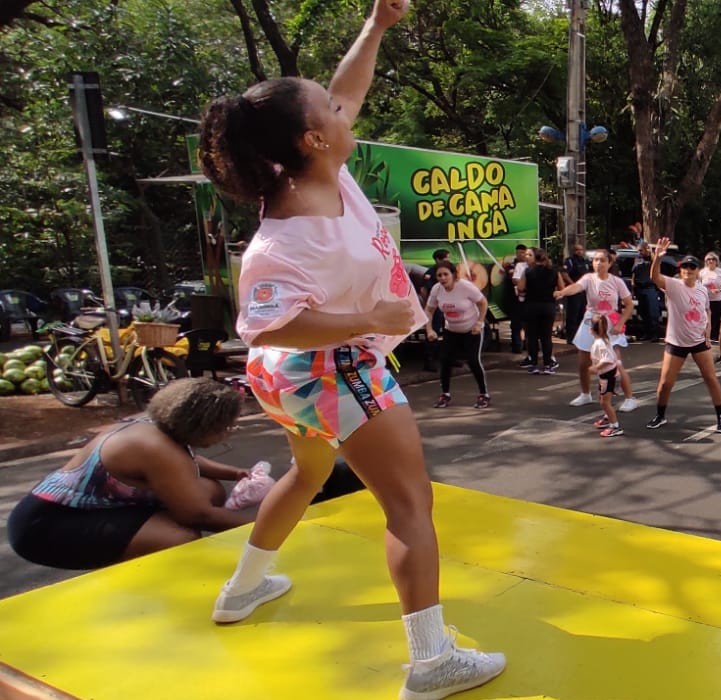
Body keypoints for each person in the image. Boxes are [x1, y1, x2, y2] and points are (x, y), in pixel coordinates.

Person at [196, 1, 507, 696]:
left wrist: (376, 26)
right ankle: (431, 663)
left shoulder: (320, 173)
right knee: (409, 505)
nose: (345, 113)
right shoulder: (287, 238)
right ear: (311, 138)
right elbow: (268, 325)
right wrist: (370, 314)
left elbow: (346, 88)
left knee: (306, 475)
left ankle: (243, 589)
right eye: (329, 113)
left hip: (294, 381)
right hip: (330, 370)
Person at [8, 379, 255, 569]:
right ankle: (143, 585)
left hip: (92, 508)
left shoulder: (158, 427)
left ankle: (137, 546)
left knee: (209, 488)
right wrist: (274, 526)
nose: (227, 434)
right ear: (203, 425)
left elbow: (188, 461)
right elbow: (199, 515)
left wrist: (234, 473)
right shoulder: (156, 449)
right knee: (179, 538)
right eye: (225, 428)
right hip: (47, 526)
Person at [645, 238, 721, 433]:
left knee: (710, 378)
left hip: (699, 342)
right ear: (680, 270)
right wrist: (657, 258)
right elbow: (655, 277)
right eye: (685, 267)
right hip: (676, 343)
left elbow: (706, 311)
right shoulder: (673, 285)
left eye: (692, 267)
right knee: (666, 383)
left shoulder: (702, 289)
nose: (688, 270)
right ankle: (660, 415)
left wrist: (707, 332)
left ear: (697, 271)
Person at [554, 248, 639, 411]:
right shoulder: (588, 278)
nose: (598, 263)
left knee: (616, 363)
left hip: (610, 322)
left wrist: (620, 323)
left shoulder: (617, 282)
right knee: (583, 362)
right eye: (596, 260)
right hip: (591, 320)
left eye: (602, 260)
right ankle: (585, 394)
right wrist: (562, 292)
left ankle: (630, 398)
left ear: (610, 263)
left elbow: (628, 304)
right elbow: (576, 287)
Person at [423, 261, 490, 409]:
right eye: (439, 275)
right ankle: (445, 394)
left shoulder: (465, 287)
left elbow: (483, 303)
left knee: (473, 360)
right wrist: (429, 329)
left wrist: (479, 323)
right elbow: (429, 310)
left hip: (471, 329)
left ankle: (484, 394)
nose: (442, 278)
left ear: (453, 275)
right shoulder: (436, 289)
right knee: (445, 361)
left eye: (446, 274)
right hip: (451, 330)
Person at [517, 248, 561, 375]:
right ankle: (548, 365)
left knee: (532, 337)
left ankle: (534, 364)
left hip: (531, 306)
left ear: (534, 258)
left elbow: (520, 288)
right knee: (546, 337)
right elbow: (561, 288)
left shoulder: (528, 271)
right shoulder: (554, 271)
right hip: (548, 306)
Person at [587, 315, 625, 438]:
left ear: (592, 330)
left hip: (608, 375)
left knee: (605, 402)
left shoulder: (600, 343)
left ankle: (615, 426)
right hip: (605, 375)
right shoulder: (602, 340)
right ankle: (608, 418)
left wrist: (595, 368)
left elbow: (607, 360)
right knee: (601, 397)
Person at [560, 240, 591, 343]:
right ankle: (571, 338)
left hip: (584, 292)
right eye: (577, 250)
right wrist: (574, 285)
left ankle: (580, 337)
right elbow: (564, 274)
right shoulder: (570, 261)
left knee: (582, 314)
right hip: (574, 292)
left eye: (581, 250)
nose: (579, 251)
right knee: (573, 315)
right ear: (574, 251)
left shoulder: (585, 261)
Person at [631, 246, 661, 342]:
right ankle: (647, 334)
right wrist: (633, 285)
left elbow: (656, 260)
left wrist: (650, 251)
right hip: (639, 289)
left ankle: (655, 335)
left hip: (650, 289)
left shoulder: (651, 259)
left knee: (653, 313)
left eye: (641, 250)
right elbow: (634, 273)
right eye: (638, 250)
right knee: (643, 313)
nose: (639, 252)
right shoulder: (637, 259)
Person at [699, 252, 721, 348]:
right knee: (706, 320)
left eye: (713, 259)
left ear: (716, 261)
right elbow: (698, 285)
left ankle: (720, 339)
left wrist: (719, 290)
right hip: (706, 300)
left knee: (719, 320)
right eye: (709, 259)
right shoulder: (702, 272)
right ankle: (707, 338)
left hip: (719, 299)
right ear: (706, 261)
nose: (711, 261)